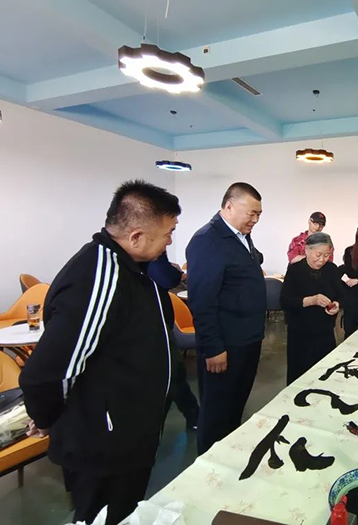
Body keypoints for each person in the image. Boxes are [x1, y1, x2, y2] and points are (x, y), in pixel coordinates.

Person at [19, 180, 181, 525]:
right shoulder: (100, 276)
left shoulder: (132, 266)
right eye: (167, 234)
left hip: (129, 433)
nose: (170, 241)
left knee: (125, 511)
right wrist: (46, 418)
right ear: (136, 236)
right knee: (102, 515)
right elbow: (48, 373)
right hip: (104, 444)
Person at [186, 182, 267, 455]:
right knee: (216, 412)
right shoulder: (207, 240)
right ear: (229, 206)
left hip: (247, 338)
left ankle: (228, 458)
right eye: (251, 213)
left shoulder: (240, 235)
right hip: (225, 345)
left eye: (259, 214)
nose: (255, 220)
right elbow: (202, 300)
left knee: (234, 407)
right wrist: (212, 347)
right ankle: (209, 466)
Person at [281, 233, 343, 383]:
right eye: (318, 254)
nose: (322, 260)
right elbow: (285, 300)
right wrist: (311, 300)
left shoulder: (331, 269)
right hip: (300, 334)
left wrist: (337, 304)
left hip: (324, 333)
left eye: (326, 255)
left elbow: (341, 294)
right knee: (299, 377)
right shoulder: (295, 270)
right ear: (307, 250)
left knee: (324, 376)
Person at [147, 251, 200, 431]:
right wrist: (175, 272)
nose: (169, 241)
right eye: (166, 236)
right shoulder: (152, 253)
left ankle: (193, 416)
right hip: (155, 327)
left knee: (172, 375)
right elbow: (167, 277)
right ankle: (193, 416)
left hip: (158, 325)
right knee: (173, 374)